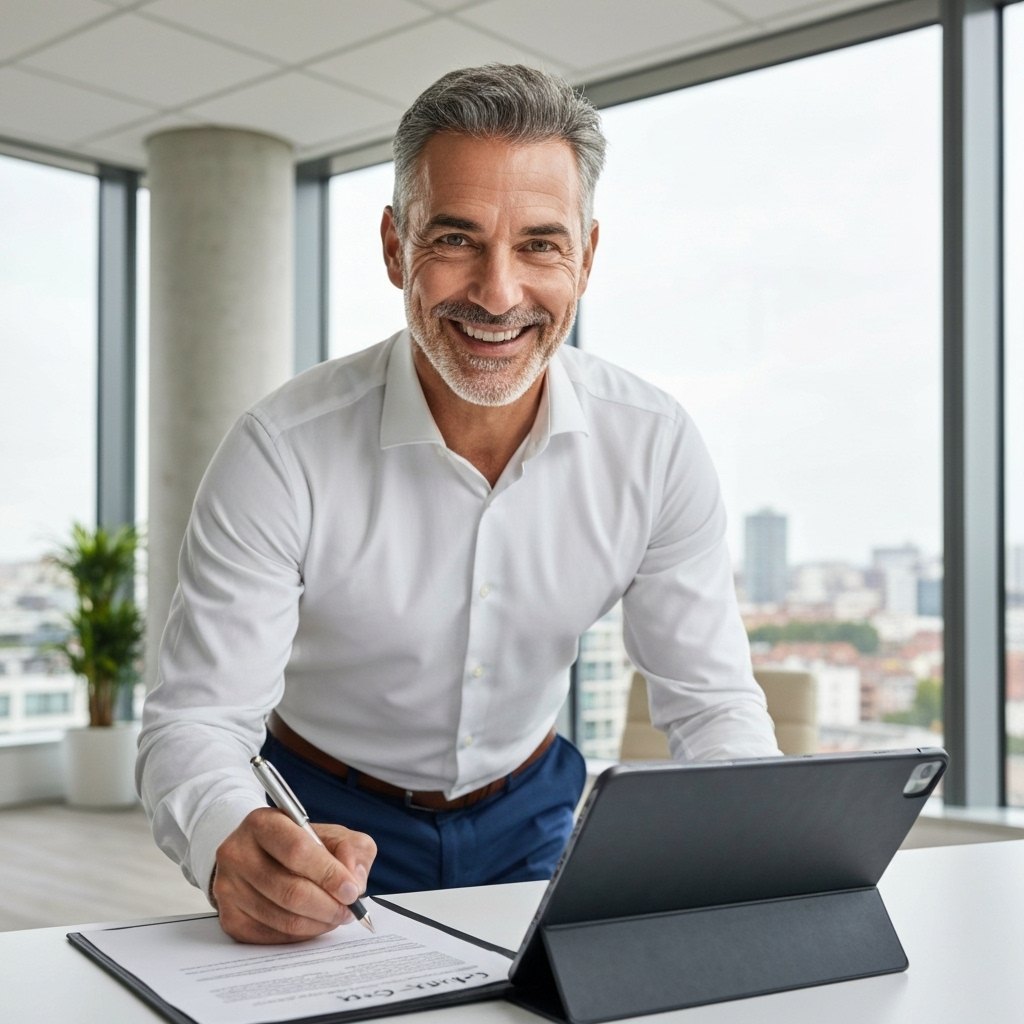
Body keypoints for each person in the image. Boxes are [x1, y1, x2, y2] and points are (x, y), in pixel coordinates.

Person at [138, 64, 781, 946]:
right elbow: (200, 720)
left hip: (534, 808)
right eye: (456, 239)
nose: (498, 292)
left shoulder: (655, 445)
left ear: (586, 258)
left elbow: (710, 705)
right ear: (396, 247)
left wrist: (766, 854)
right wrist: (228, 838)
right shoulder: (281, 450)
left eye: (540, 245)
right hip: (322, 819)